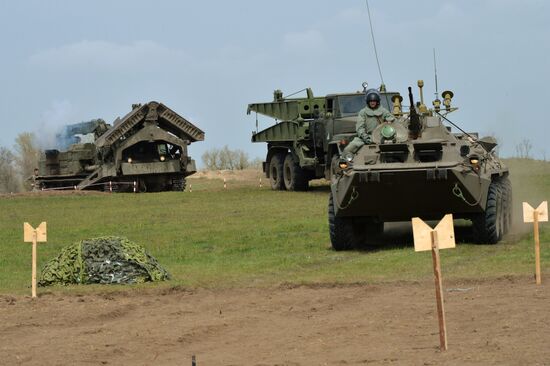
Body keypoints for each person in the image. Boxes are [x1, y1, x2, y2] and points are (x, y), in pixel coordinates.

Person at [342, 89, 395, 155]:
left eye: (374, 101)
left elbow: (393, 121)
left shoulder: (383, 111)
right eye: (371, 101)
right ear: (368, 102)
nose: (372, 103)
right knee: (348, 149)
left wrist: (389, 123)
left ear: (377, 101)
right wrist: (365, 137)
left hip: (381, 137)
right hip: (366, 137)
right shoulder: (363, 112)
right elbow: (360, 127)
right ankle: (348, 163)